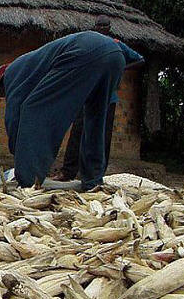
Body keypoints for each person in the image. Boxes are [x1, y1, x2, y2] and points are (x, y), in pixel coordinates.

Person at [0, 30, 143, 190]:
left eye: (3, 93)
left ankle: (28, 180)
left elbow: (13, 117)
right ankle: (93, 181)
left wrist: (17, 149)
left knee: (33, 108)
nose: (6, 95)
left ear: (1, 82)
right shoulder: (30, 66)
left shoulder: (11, 73)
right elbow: (139, 59)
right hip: (116, 58)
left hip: (83, 53)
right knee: (95, 120)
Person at [54, 16, 145, 181]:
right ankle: (68, 172)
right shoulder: (90, 45)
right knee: (77, 133)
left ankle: (96, 174)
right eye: (99, 26)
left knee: (103, 136)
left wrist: (120, 67)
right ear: (95, 28)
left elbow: (139, 59)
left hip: (107, 98)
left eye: (105, 26)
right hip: (86, 96)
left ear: (109, 28)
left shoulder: (116, 45)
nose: (102, 28)